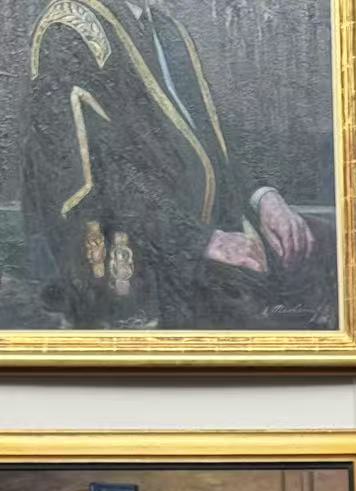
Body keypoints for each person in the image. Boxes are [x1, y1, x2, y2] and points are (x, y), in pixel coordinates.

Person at [24, 0, 335, 330]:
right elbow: (106, 177)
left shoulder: (167, 29)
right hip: (137, 256)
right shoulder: (70, 28)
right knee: (277, 323)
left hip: (206, 230)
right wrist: (201, 240)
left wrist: (265, 197)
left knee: (329, 248)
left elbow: (214, 134)